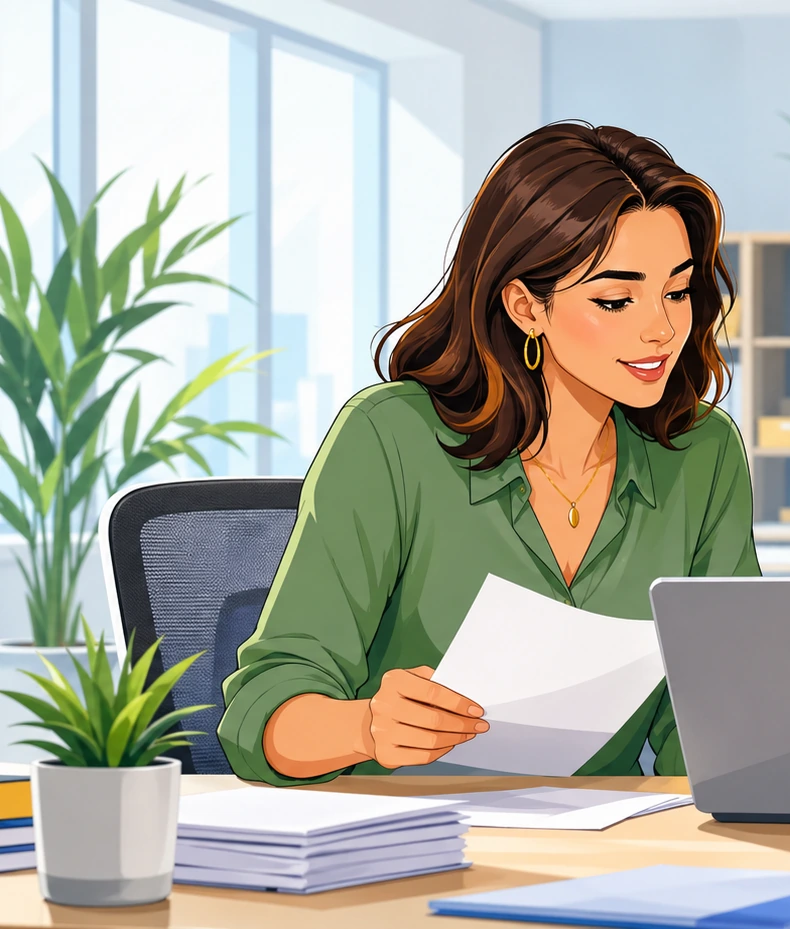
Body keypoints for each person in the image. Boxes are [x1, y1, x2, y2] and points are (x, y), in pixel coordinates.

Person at [217, 121, 759, 786]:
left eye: (676, 291)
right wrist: (367, 725)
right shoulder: (391, 437)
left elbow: (712, 715)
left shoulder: (699, 454)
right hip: (404, 845)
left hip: (606, 851)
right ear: (525, 305)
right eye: (616, 299)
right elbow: (262, 713)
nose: (662, 328)